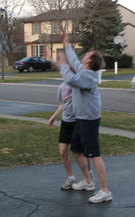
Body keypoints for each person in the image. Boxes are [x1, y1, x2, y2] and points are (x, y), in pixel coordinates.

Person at [58, 34, 112, 204]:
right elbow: (74, 61)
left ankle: (105, 191)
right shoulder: (84, 70)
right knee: (77, 149)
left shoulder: (89, 76)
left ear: (89, 61)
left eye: (87, 54)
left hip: (89, 120)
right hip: (80, 118)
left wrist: (62, 65)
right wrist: (67, 45)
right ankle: (87, 181)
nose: (84, 55)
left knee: (94, 154)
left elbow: (71, 79)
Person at [48, 53, 92, 190]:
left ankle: (88, 176)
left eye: (68, 69)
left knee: (81, 151)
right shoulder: (61, 87)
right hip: (66, 122)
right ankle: (71, 177)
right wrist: (53, 117)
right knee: (62, 151)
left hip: (78, 121)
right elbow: (62, 104)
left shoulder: (78, 84)